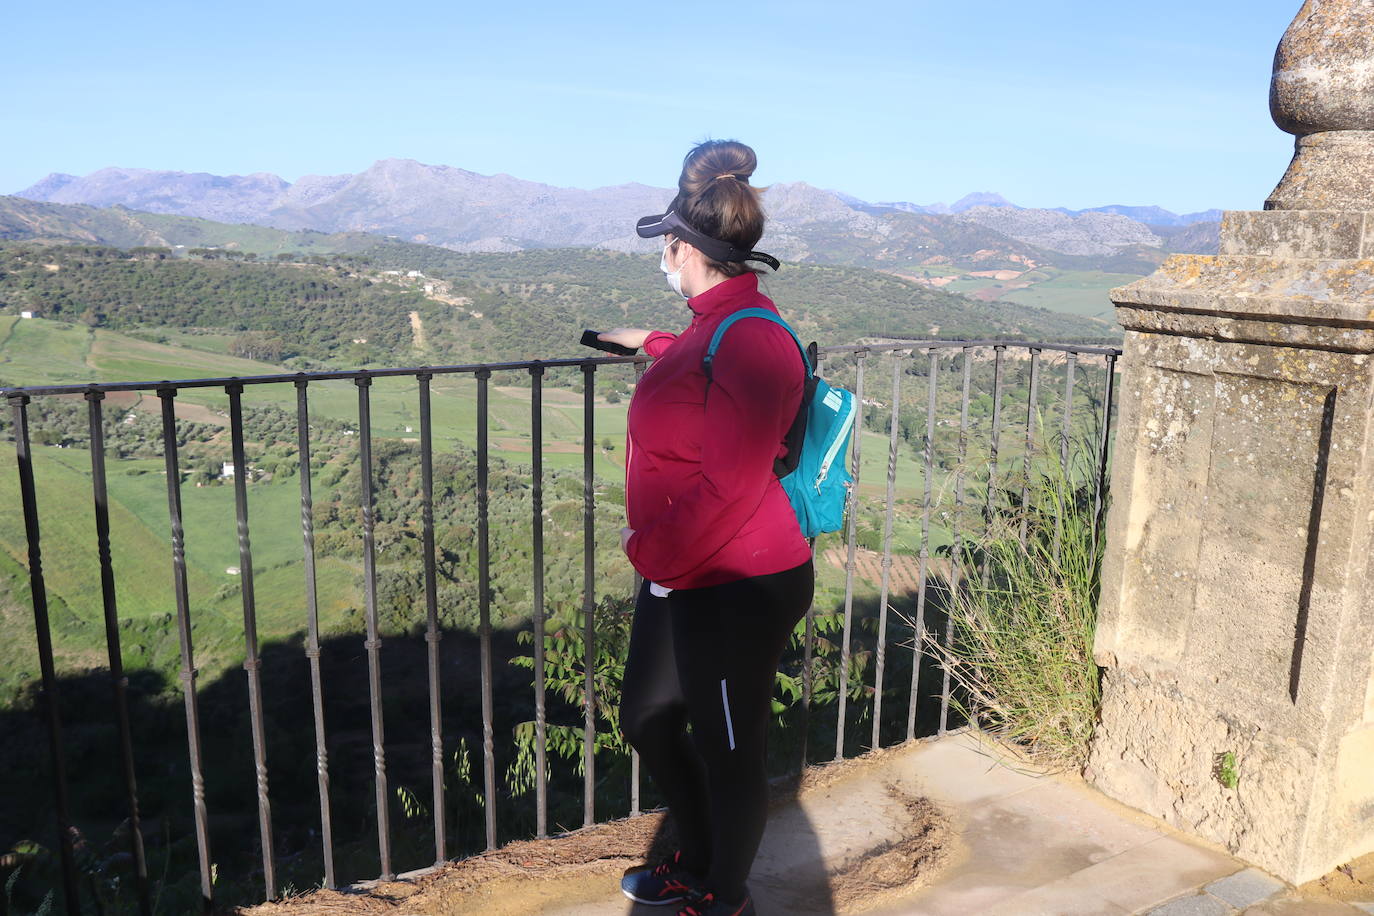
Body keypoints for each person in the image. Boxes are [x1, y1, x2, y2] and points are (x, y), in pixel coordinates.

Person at [599, 140, 814, 916]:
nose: (664, 255)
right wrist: (646, 343)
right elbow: (697, 363)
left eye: (667, 245)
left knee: (731, 751)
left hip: (737, 581)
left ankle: (723, 897)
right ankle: (693, 859)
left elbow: (728, 483)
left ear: (682, 248)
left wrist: (645, 551)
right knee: (647, 717)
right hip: (686, 570)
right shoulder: (711, 323)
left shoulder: (752, 335)